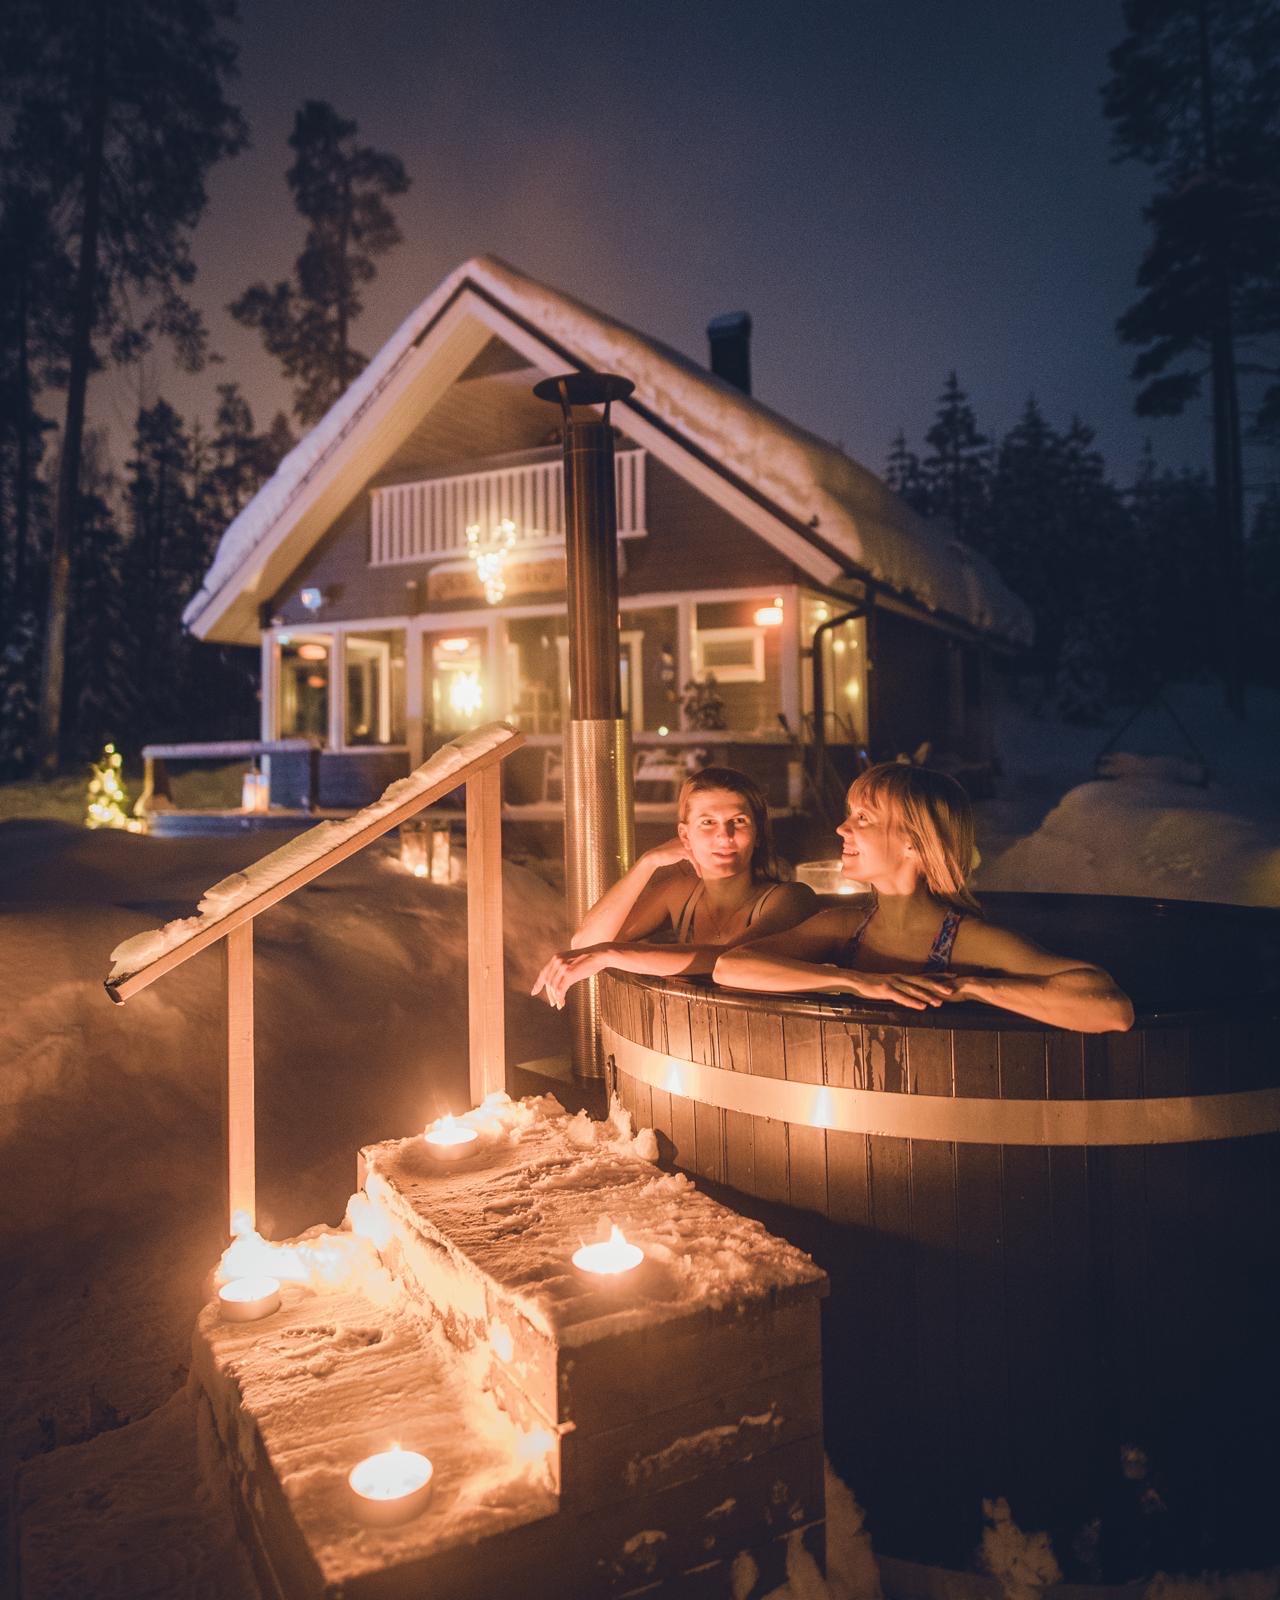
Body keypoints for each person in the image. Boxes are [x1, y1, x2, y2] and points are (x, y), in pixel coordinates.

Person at [713, 762, 1134, 1034]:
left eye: (863, 818)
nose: (843, 829)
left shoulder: (967, 942)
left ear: (913, 843)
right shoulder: (843, 929)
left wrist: (973, 987)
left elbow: (1111, 1010)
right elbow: (731, 968)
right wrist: (859, 982)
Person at [532, 766, 817, 1010]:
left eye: (738, 821)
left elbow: (728, 960)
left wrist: (609, 954)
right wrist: (647, 862)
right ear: (685, 834)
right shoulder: (680, 895)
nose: (724, 836)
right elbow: (584, 943)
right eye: (708, 822)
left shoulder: (789, 898)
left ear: (756, 834)